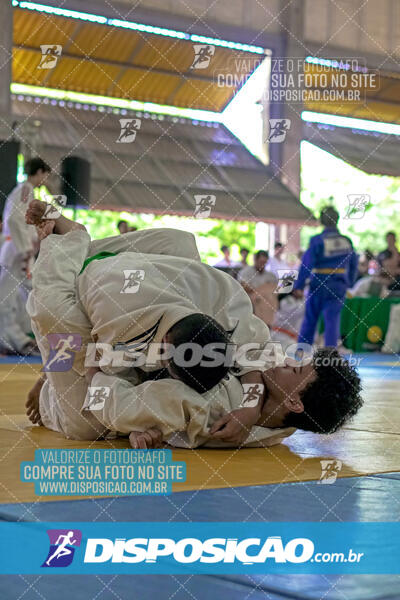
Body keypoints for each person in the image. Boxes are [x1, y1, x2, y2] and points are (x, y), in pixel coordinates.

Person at [25, 201, 363, 448]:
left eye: (295, 369)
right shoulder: (270, 395)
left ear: (293, 403)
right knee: (179, 244)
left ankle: (66, 243)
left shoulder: (216, 413)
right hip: (142, 341)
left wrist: (138, 423)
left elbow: (119, 408)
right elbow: (252, 345)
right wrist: (250, 402)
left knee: (55, 319)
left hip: (97, 379)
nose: (286, 360)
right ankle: (80, 254)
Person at [0, 157, 51, 354]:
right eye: (44, 174)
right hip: (17, 252)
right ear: (38, 172)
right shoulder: (25, 190)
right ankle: (13, 341)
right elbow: (14, 219)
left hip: (18, 251)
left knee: (24, 297)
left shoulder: (25, 191)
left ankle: (20, 338)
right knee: (8, 297)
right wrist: (24, 249)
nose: (44, 179)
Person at [293, 206, 359, 347]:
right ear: (337, 220)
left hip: (318, 283)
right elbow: (354, 263)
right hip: (338, 285)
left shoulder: (317, 240)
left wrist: (298, 285)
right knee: (332, 321)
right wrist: (351, 282)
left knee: (310, 320)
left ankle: (301, 355)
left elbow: (307, 264)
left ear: (322, 221)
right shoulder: (346, 241)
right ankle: (330, 358)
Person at [238, 251, 278, 327]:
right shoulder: (245, 272)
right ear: (255, 260)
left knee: (269, 299)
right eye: (261, 262)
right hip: (250, 301)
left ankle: (267, 325)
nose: (262, 265)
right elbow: (245, 287)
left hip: (266, 300)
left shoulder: (270, 275)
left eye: (265, 263)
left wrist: (261, 290)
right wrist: (262, 289)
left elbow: (274, 289)